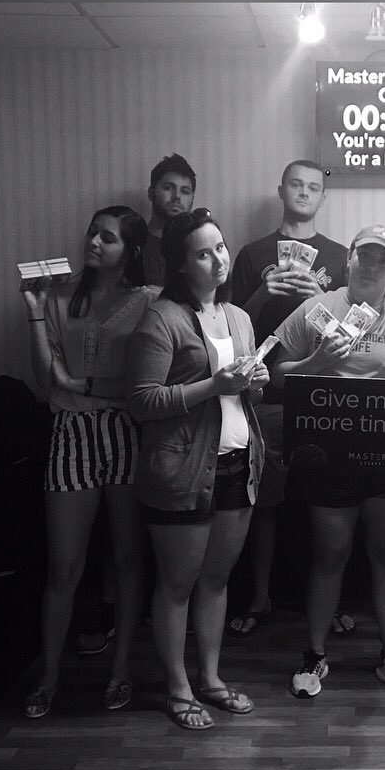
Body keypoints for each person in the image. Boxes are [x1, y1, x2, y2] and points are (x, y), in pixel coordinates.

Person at [270, 225, 385, 699]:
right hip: (329, 456)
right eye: (365, 256)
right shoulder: (317, 309)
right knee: (330, 553)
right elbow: (278, 375)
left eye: (383, 260)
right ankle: (315, 653)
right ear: (348, 259)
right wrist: (317, 361)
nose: (372, 266)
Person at [126, 207, 268, 731]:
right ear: (182, 264)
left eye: (221, 247)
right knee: (177, 584)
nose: (218, 260)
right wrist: (214, 385)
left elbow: (243, 393)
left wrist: (256, 383)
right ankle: (177, 688)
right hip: (181, 470)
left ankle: (209, 678)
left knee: (216, 579)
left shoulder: (239, 317)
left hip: (238, 463)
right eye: (203, 253)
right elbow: (142, 401)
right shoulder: (161, 317)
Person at [21, 206, 153, 719]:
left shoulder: (150, 300)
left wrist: (83, 383)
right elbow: (44, 378)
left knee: (127, 559)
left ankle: (120, 670)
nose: (94, 242)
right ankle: (50, 676)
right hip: (70, 432)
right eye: (93, 233)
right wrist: (34, 312)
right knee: (64, 566)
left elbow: (146, 383)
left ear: (131, 250)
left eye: (109, 238)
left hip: (127, 433)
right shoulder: (58, 297)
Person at [226, 159, 355, 638]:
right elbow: (231, 322)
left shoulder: (341, 257)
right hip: (265, 391)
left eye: (313, 187)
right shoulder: (250, 253)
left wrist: (319, 296)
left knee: (326, 498)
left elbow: (353, 331)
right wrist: (264, 292)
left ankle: (329, 598)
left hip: (324, 392)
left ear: (323, 196)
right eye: (296, 184)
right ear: (281, 190)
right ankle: (260, 596)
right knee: (265, 499)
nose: (304, 192)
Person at [141, 153, 197, 288]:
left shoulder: (198, 245)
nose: (177, 196)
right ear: (151, 193)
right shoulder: (133, 245)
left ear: (192, 199)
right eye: (168, 188)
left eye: (185, 191)